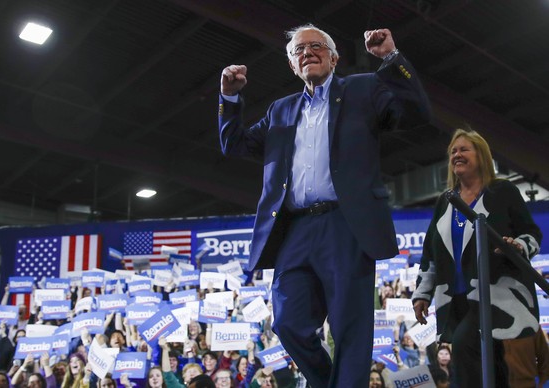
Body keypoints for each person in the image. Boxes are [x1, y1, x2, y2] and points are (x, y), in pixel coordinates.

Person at [218, 23, 431, 387]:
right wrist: (231, 98)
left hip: (346, 224)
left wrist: (391, 58)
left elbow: (415, 113)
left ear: (334, 57)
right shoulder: (280, 110)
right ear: (292, 66)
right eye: (299, 51)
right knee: (287, 321)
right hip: (295, 229)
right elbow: (234, 143)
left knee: (351, 326)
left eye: (316, 46)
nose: (307, 53)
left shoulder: (363, 88)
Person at [412, 128, 543, 387]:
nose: (456, 155)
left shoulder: (502, 191)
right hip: (458, 302)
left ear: (481, 155)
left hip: (497, 295)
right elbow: (431, 254)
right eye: (453, 151)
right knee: (493, 366)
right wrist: (422, 294)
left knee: (464, 348)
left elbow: (532, 232)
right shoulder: (445, 201)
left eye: (463, 149)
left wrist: (517, 245)